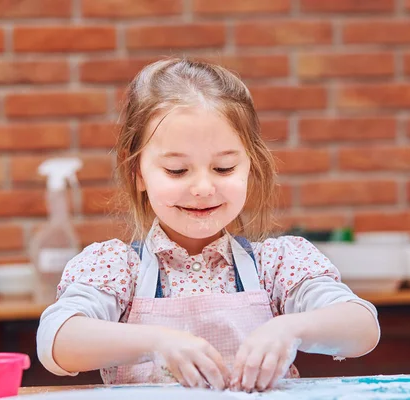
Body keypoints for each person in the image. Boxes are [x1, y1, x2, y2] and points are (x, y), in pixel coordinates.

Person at [37, 58, 380, 392]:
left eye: (224, 168)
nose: (203, 188)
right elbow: (56, 340)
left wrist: (291, 329)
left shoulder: (277, 264)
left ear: (250, 166)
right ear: (137, 173)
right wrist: (158, 342)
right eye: (177, 170)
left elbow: (361, 329)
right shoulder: (116, 268)